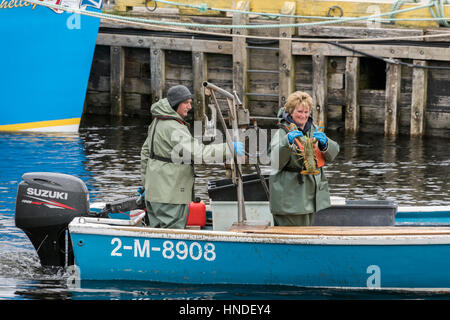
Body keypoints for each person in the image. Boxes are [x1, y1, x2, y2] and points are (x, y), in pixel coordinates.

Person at [141, 85, 243, 229]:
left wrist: (146, 184)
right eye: (186, 103)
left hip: (154, 194)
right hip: (170, 195)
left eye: (190, 102)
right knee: (171, 234)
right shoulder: (173, 127)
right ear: (176, 104)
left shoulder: (157, 121)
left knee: (155, 232)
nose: (189, 106)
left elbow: (146, 153)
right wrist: (229, 148)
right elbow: (199, 153)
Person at [268, 91, 340, 226]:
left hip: (311, 197)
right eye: (299, 111)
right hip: (290, 199)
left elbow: (334, 151)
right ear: (290, 112)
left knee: (307, 234)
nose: (303, 115)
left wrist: (325, 144)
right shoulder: (282, 132)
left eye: (306, 112)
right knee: (293, 238)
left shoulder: (314, 130)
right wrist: (286, 143)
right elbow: (273, 161)